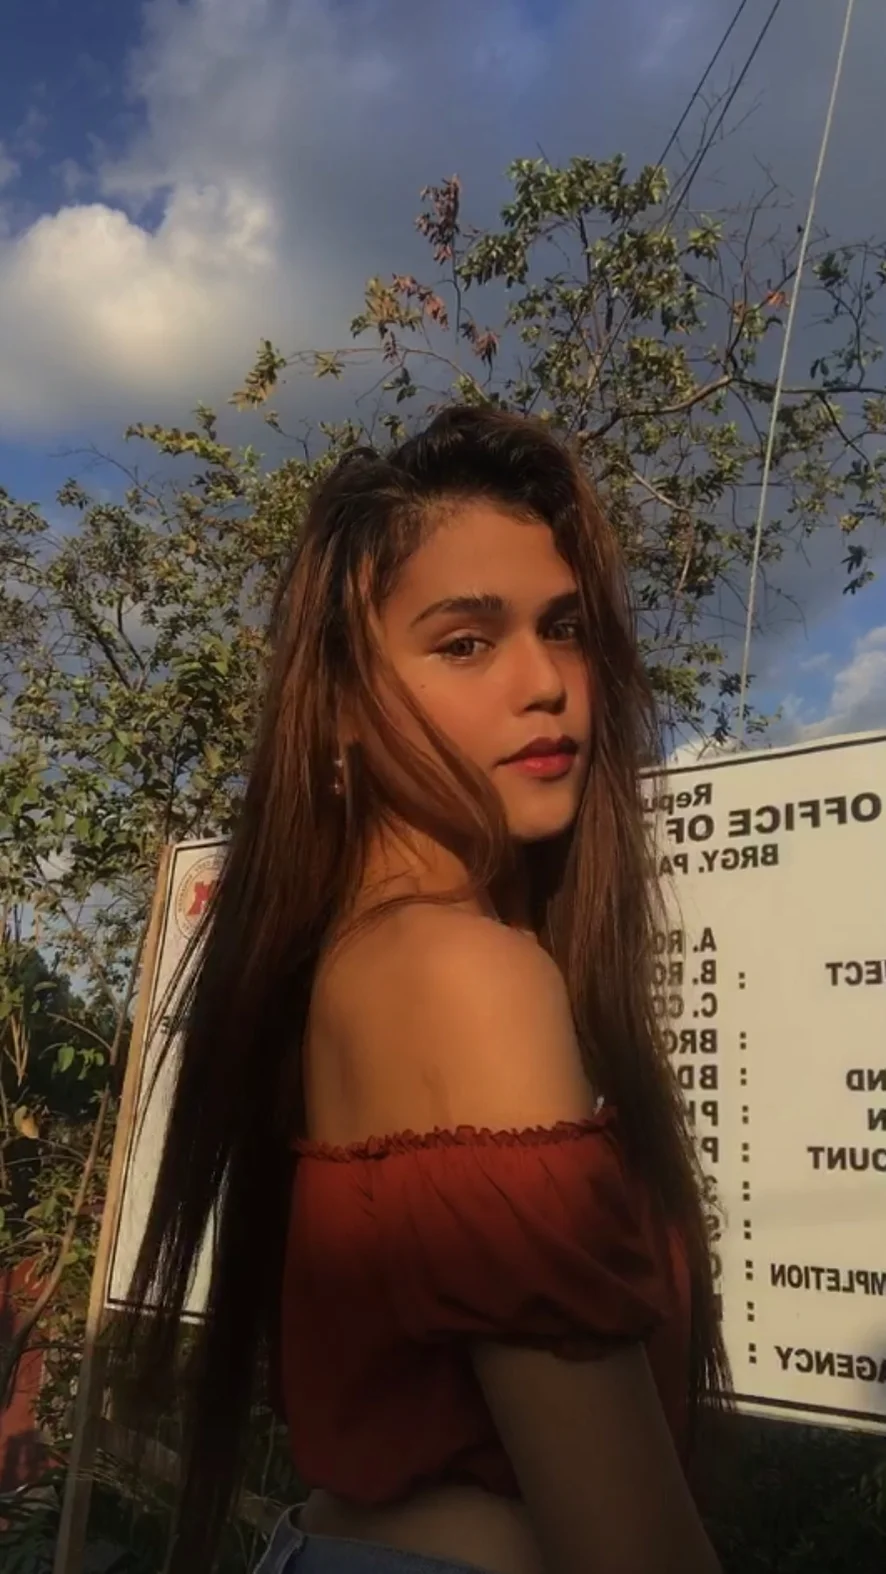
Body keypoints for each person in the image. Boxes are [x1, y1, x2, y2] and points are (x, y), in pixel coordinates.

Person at [126, 406, 730, 1574]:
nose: (546, 683)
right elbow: (630, 1548)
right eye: (464, 642)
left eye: (565, 628)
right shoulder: (462, 972)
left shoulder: (349, 959)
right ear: (342, 704)